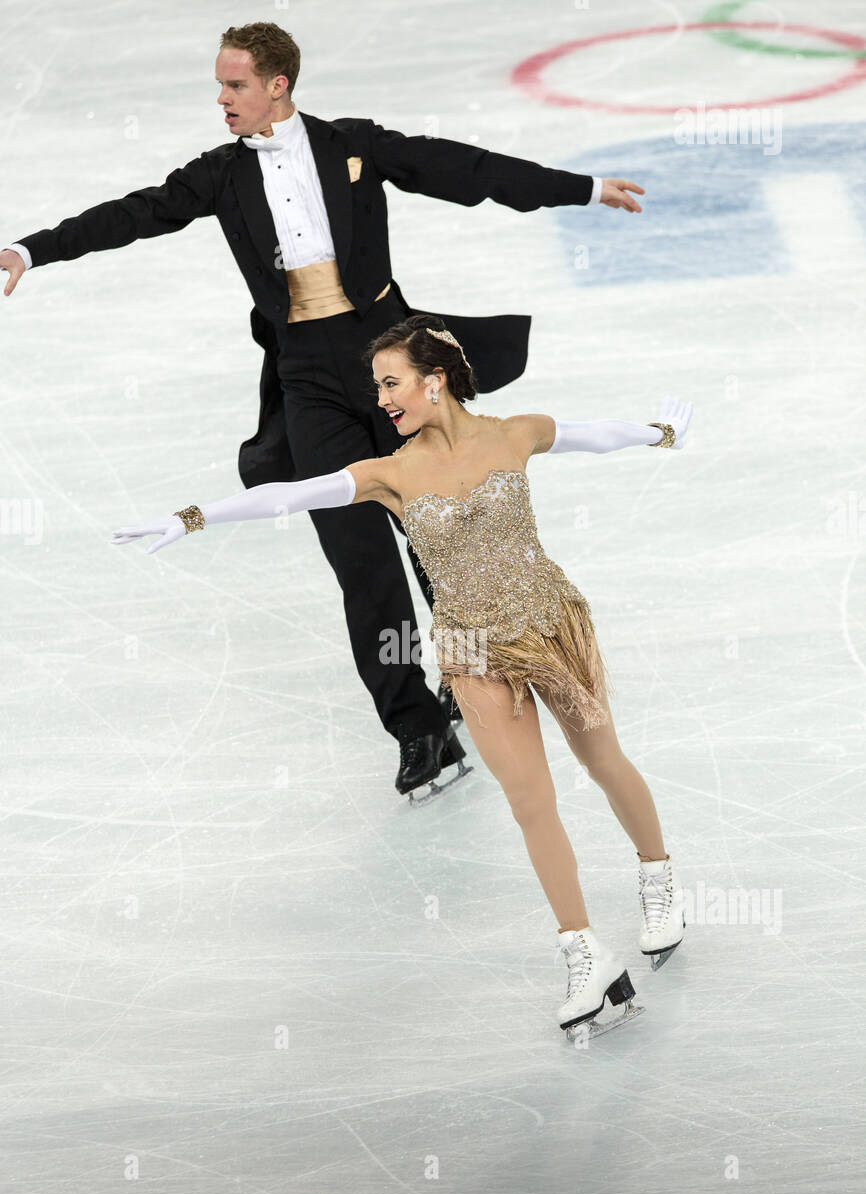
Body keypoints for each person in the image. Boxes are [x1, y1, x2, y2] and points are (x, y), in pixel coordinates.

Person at [0, 20, 647, 801]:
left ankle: (468, 675)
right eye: (221, 85)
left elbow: (463, 169)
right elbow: (136, 212)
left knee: (438, 533)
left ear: (278, 85)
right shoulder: (219, 175)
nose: (222, 99)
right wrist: (30, 250)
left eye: (235, 85)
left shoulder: (354, 144)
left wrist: (579, 189)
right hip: (307, 374)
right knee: (359, 560)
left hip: (395, 359)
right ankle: (417, 729)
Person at [111, 315, 691, 1040]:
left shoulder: (512, 433)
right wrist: (193, 517)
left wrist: (658, 433)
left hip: (550, 623)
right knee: (530, 802)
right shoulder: (390, 473)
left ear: (434, 380)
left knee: (601, 759)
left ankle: (658, 877)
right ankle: (584, 952)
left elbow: (590, 433)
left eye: (391, 383)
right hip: (474, 650)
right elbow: (288, 495)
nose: (381, 399)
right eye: (378, 386)